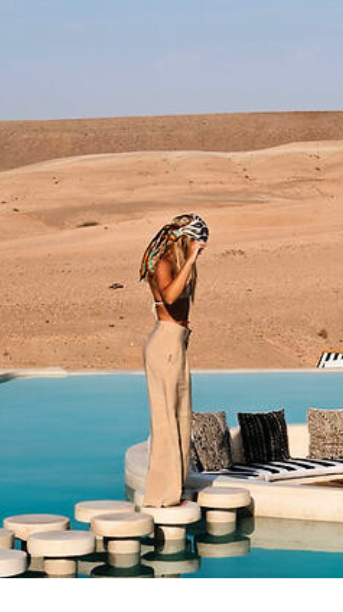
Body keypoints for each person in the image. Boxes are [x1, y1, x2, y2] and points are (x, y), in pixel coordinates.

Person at [138, 215, 208, 508]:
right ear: (185, 239)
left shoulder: (171, 263)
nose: (199, 247)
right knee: (168, 420)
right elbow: (168, 297)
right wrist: (191, 259)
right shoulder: (166, 263)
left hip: (174, 343)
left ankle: (171, 490)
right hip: (166, 344)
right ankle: (163, 494)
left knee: (179, 417)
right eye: (195, 241)